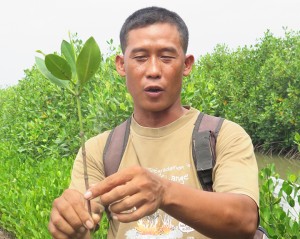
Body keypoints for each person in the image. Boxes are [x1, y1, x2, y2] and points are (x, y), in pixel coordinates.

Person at [48, 6, 259, 239]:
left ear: (187, 64)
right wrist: (69, 223)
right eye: (140, 58)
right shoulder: (99, 150)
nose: (154, 70)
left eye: (166, 57)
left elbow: (245, 220)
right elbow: (82, 217)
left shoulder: (222, 135)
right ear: (121, 64)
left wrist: (163, 192)